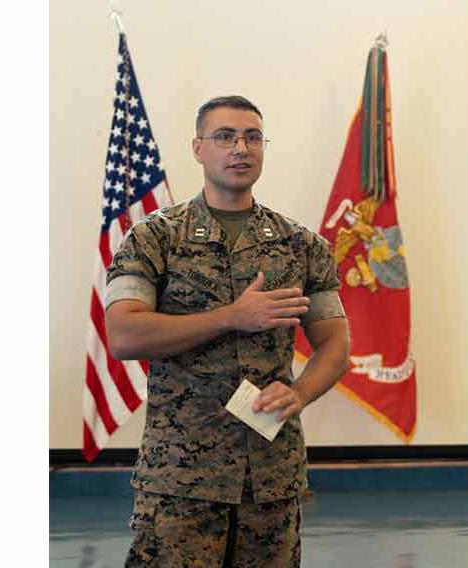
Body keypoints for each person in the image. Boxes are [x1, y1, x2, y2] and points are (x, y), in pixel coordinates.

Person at [104, 95, 351, 567]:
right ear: (198, 148)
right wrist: (231, 316)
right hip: (180, 481)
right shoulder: (156, 237)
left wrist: (300, 393)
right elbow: (123, 335)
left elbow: (336, 344)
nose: (240, 148)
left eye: (252, 137)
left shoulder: (301, 245)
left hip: (271, 478)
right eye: (225, 137)